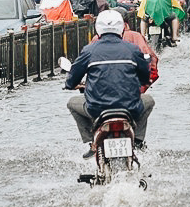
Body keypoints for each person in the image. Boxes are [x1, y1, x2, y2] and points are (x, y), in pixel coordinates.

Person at [65, 10, 154, 158]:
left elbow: (72, 79)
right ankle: (138, 140)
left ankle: (91, 142)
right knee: (149, 100)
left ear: (98, 28)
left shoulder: (89, 50)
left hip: (96, 109)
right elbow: (146, 77)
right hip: (130, 107)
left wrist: (71, 84)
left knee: (72, 103)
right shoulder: (132, 49)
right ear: (121, 28)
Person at [91, 6, 160, 88]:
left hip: (102, 88)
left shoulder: (95, 40)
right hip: (132, 87)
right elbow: (151, 62)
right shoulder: (136, 37)